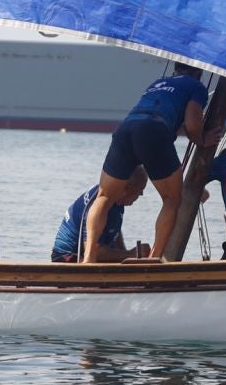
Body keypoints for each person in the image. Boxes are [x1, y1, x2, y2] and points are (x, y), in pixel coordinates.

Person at [85, 62, 211, 263]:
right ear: (198, 73)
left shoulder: (159, 82)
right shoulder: (196, 87)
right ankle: (155, 257)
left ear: (175, 71)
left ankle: (89, 257)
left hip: (126, 129)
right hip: (153, 131)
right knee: (172, 199)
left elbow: (168, 116)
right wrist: (202, 139)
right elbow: (191, 125)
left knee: (104, 196)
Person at [51, 173, 150, 263]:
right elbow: (94, 251)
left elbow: (115, 230)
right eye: (140, 190)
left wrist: (128, 257)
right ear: (127, 188)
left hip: (89, 252)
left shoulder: (117, 198)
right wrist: (130, 254)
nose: (141, 194)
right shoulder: (98, 204)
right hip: (67, 257)